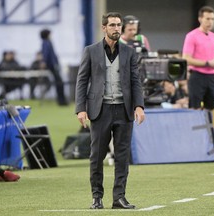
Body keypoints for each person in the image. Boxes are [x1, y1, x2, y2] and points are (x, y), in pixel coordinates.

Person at [75, 12, 145, 209]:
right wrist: (81, 109)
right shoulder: (91, 51)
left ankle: (119, 198)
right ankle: (97, 197)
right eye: (112, 25)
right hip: (100, 109)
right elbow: (82, 81)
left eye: (118, 25)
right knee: (96, 156)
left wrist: (139, 106)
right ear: (104, 27)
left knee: (122, 156)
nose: (116, 28)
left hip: (124, 110)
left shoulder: (130, 52)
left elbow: (135, 82)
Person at [182, 6, 214, 110]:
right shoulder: (191, 36)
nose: (210, 22)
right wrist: (208, 63)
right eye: (207, 19)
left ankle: (211, 126)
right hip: (197, 76)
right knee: (194, 108)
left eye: (212, 19)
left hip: (211, 77)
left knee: (212, 107)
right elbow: (186, 59)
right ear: (200, 19)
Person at [40, 29, 67, 105]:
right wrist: (44, 62)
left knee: (59, 83)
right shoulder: (46, 43)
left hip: (53, 65)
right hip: (52, 65)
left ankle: (62, 101)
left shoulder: (47, 42)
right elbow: (46, 54)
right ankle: (61, 101)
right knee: (59, 83)